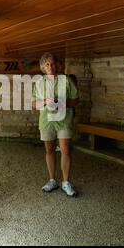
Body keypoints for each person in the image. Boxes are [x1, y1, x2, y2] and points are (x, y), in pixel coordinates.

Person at [32, 53, 80, 197]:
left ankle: (65, 182)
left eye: (52, 63)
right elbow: (34, 104)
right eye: (47, 64)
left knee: (65, 150)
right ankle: (52, 180)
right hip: (46, 121)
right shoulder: (39, 83)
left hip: (64, 120)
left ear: (56, 65)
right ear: (42, 67)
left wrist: (63, 103)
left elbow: (76, 100)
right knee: (50, 151)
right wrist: (46, 101)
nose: (50, 66)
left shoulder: (66, 80)